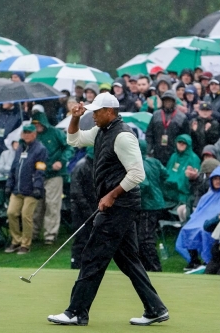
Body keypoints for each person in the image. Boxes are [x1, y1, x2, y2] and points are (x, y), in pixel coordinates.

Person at [48, 92, 168, 326]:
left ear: (110, 112)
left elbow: (137, 174)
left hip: (120, 206)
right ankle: (156, 308)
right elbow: (74, 140)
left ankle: (75, 312)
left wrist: (111, 195)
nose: (93, 115)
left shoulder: (123, 136)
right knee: (128, 260)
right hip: (119, 206)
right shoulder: (102, 131)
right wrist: (74, 118)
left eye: (97, 111)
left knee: (93, 256)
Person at [176, 166, 220, 269]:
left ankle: (208, 260)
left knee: (204, 231)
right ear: (211, 180)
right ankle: (193, 260)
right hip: (201, 221)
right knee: (186, 229)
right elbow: (198, 211)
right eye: (215, 179)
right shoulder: (207, 196)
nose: (218, 181)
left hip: (218, 222)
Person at [31, 112, 73, 245]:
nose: (37, 126)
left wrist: (61, 161)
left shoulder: (55, 133)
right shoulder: (32, 135)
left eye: (38, 123)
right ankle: (33, 233)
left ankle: (50, 235)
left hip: (55, 174)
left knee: (52, 204)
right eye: (35, 124)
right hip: (38, 174)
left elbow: (69, 147)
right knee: (36, 206)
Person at [4, 123, 47, 255]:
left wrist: (38, 187)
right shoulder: (20, 148)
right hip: (17, 189)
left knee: (26, 215)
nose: (27, 135)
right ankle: (16, 240)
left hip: (32, 190)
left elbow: (41, 170)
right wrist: (9, 184)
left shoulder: (40, 149)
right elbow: (14, 167)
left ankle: (25, 244)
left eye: (29, 133)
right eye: (25, 133)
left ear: (34, 134)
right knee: (11, 213)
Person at [136, 140, 167, 272]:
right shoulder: (154, 161)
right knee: (143, 237)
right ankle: (147, 267)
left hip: (147, 205)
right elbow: (165, 174)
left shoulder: (137, 164)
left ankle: (154, 268)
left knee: (145, 239)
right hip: (157, 203)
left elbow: (143, 184)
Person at [145, 90, 189, 165]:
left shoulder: (182, 117)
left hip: (174, 153)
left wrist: (180, 152)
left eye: (170, 100)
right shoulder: (156, 115)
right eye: (166, 100)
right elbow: (149, 134)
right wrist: (150, 149)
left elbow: (186, 137)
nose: (168, 102)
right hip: (157, 152)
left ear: (174, 102)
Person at [163, 134, 200, 205]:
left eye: (184, 143)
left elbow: (195, 181)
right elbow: (167, 172)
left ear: (188, 145)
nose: (181, 144)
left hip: (184, 195)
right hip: (170, 193)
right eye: (179, 142)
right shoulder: (174, 156)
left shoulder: (194, 159)